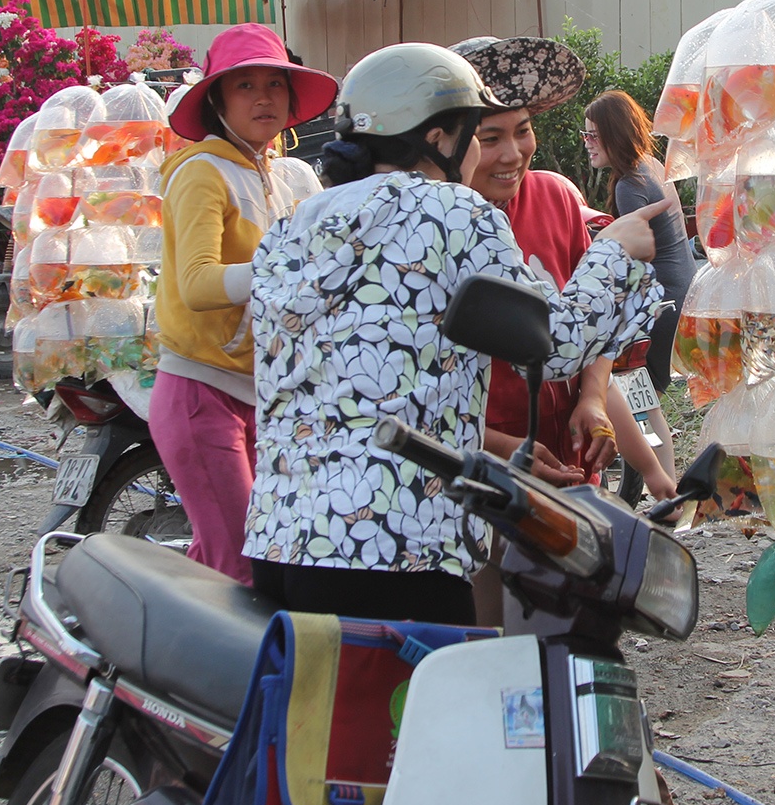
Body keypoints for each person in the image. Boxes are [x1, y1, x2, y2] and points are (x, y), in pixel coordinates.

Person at [245, 43, 669, 623]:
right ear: (440, 138)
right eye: (478, 132)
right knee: (414, 710)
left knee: (322, 711)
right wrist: (615, 252)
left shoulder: (298, 224)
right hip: (392, 541)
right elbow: (554, 341)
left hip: (283, 537)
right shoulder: (454, 213)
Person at [450, 37, 677, 502]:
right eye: (490, 138)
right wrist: (498, 448)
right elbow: (419, 400)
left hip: (572, 473)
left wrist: (592, 398)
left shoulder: (555, 196)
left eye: (524, 129)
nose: (513, 153)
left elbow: (590, 322)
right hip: (484, 483)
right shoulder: (439, 230)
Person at [153, 23, 337, 585]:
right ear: (216, 100)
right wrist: (285, 271)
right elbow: (198, 286)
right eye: (244, 86)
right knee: (245, 567)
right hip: (199, 394)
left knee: (232, 561)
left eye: (276, 84)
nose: (263, 98)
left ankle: (147, 663)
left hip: (263, 397)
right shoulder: (201, 173)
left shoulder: (286, 176)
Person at [584, 89, 696, 481]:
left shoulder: (628, 185)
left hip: (658, 304)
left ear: (613, 135)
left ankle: (659, 485)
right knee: (645, 399)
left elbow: (633, 256)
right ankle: (664, 486)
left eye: (593, 136)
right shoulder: (649, 165)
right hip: (681, 294)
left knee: (632, 396)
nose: (587, 145)